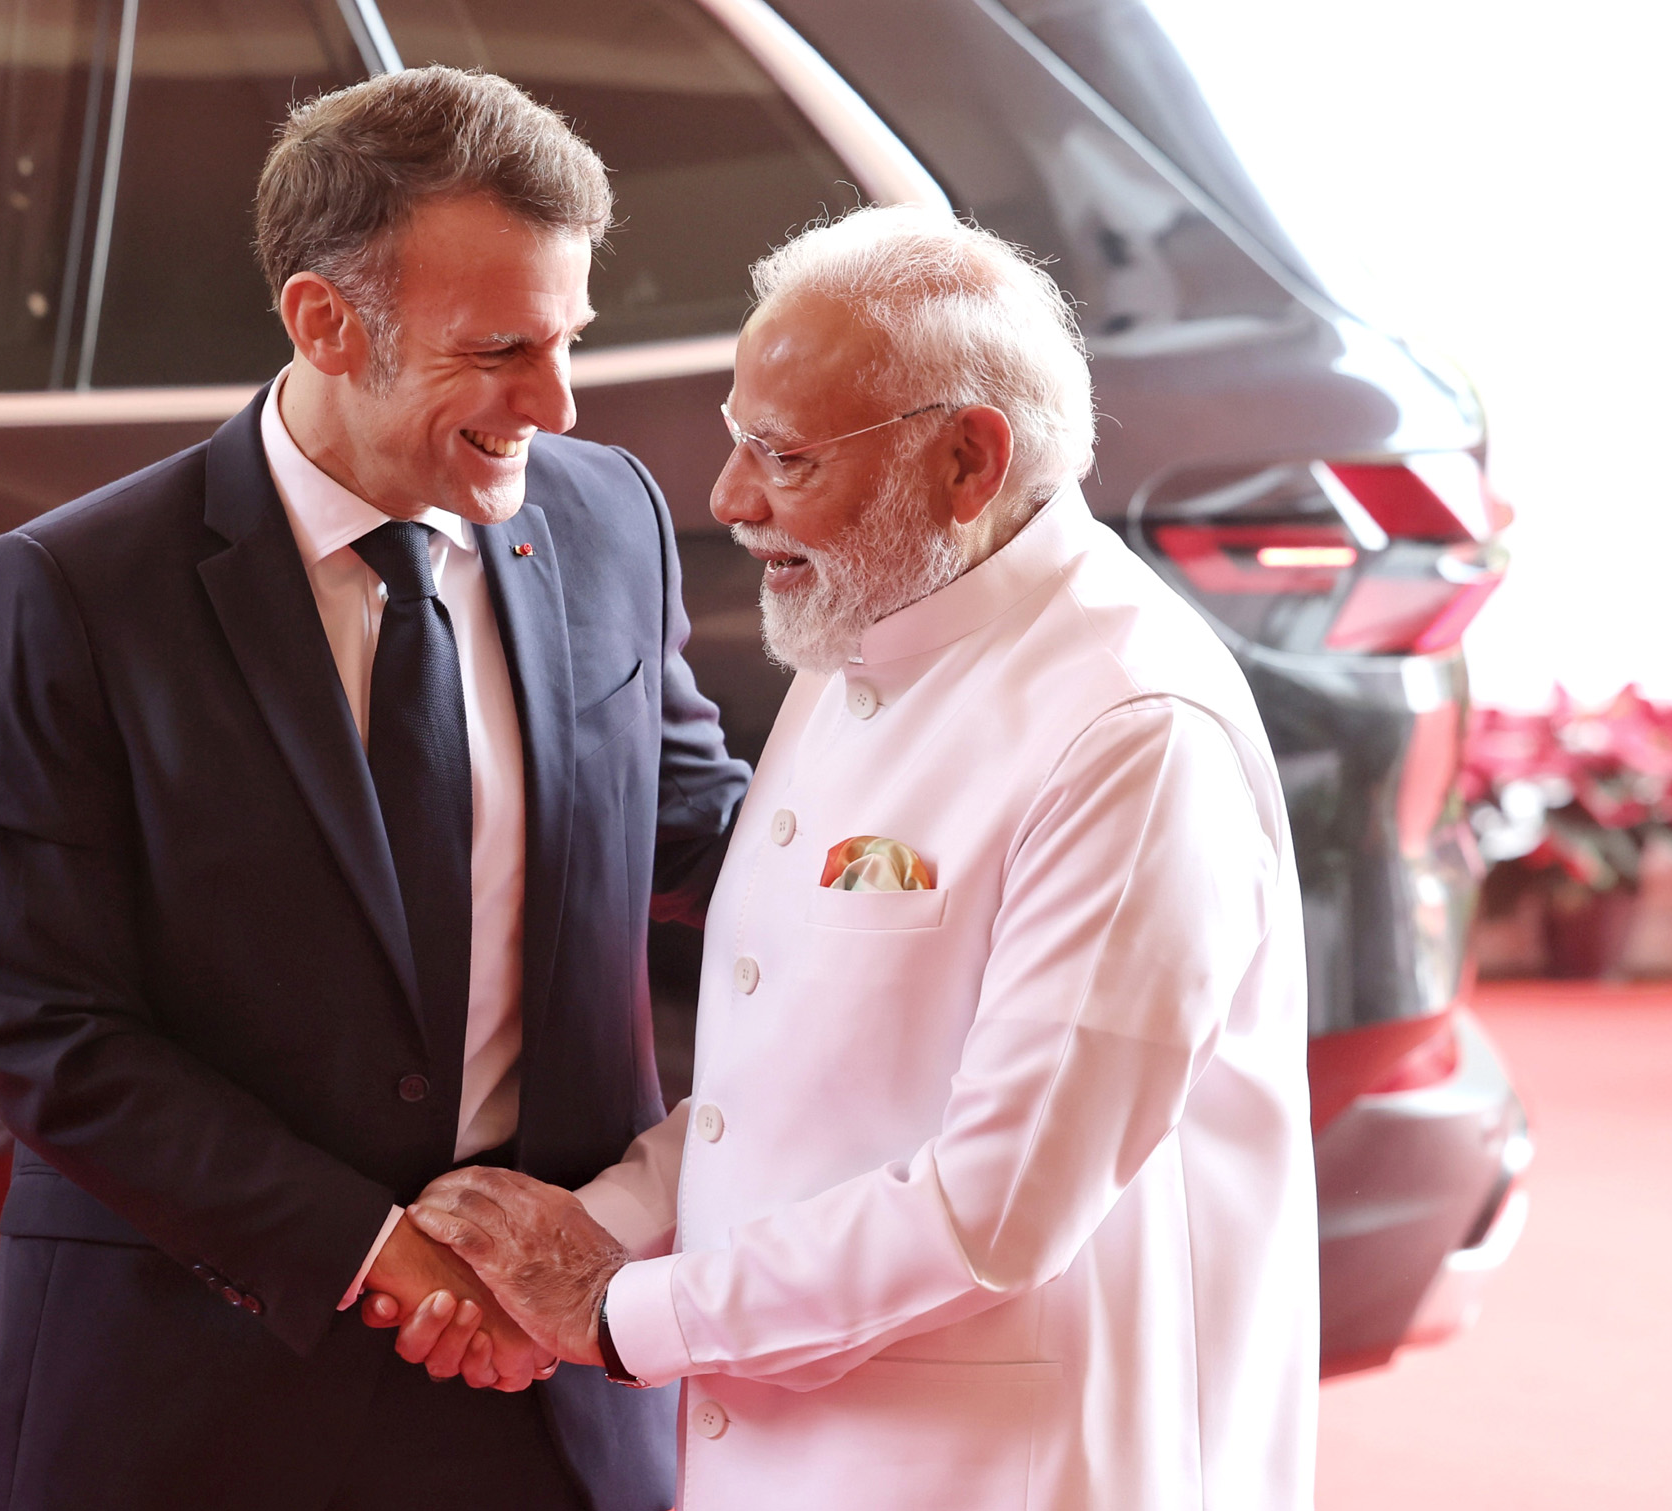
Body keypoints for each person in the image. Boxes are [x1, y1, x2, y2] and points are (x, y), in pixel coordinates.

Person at [405, 205, 1320, 1510]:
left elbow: (994, 1208)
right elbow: (786, 1087)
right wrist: (587, 1232)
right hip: (788, 1443)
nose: (727, 502)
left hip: (999, 1465)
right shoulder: (877, 614)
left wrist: (619, 1312)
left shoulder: (1130, 726)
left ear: (966, 460)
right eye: (736, 443)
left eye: (781, 458)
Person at [0, 67, 747, 1511]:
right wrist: (373, 1252)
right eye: (502, 348)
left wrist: (956, 829)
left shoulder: (607, 516)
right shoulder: (75, 592)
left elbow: (700, 832)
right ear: (324, 321)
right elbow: (47, 1027)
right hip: (189, 1393)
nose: (553, 404)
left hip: (546, 1389)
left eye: (570, 341)